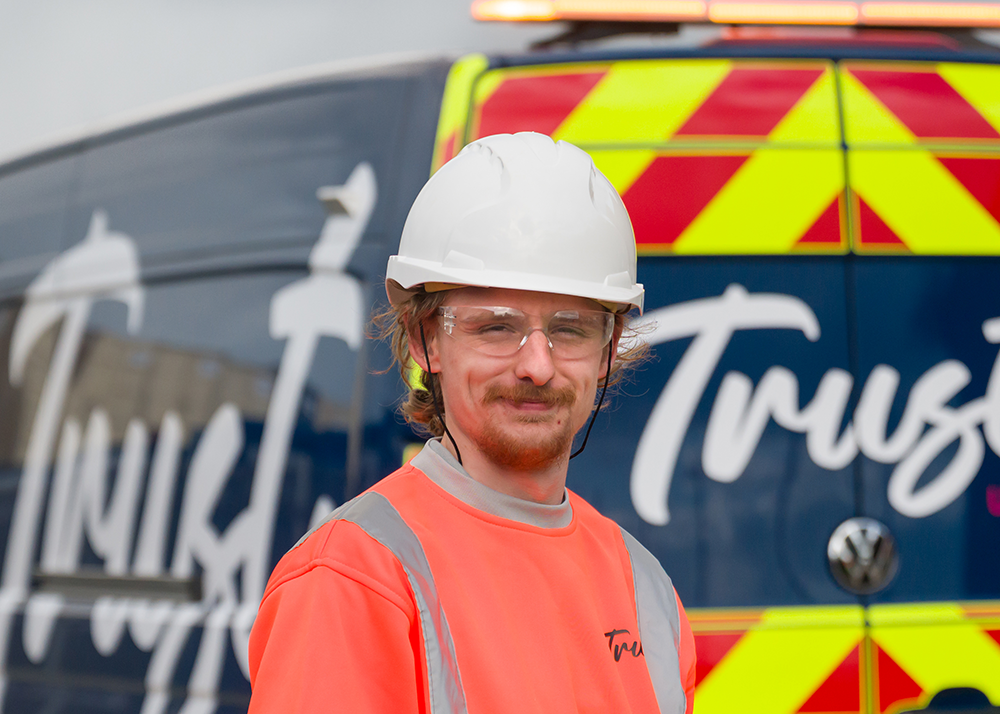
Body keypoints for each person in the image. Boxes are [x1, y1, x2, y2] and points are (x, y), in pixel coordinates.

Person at [247, 132, 696, 713]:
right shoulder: (355, 577)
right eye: (496, 327)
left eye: (570, 329)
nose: (538, 365)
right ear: (423, 342)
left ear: (608, 350)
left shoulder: (646, 590)